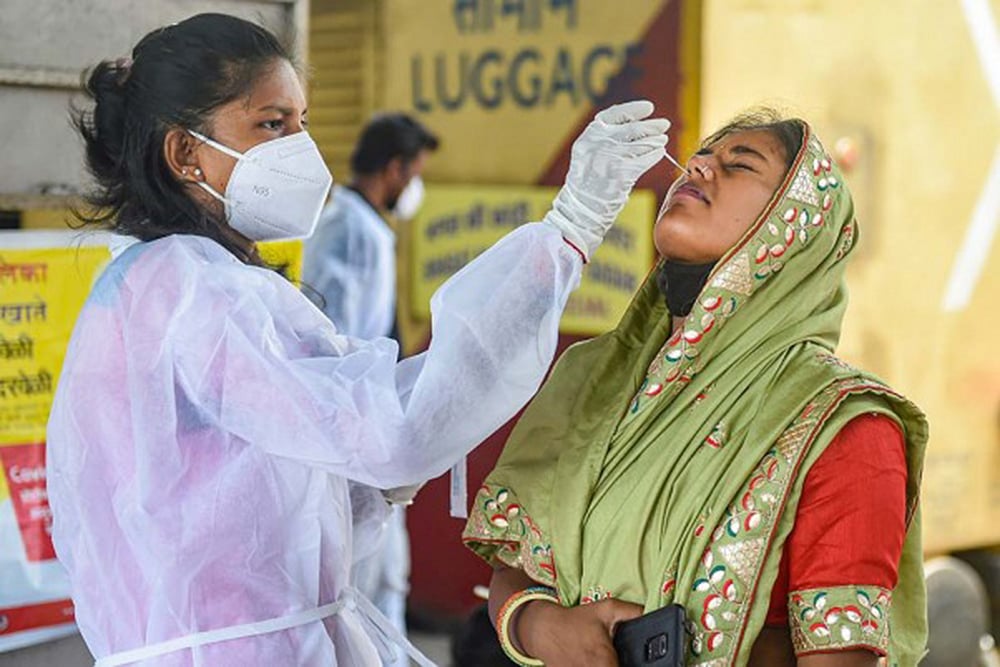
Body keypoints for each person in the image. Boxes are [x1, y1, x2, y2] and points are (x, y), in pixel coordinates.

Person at [45, 13, 671, 667]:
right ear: (184, 153)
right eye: (271, 125)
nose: (301, 148)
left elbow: (242, 489)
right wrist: (571, 226)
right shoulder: (199, 292)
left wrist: (367, 480)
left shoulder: (146, 281)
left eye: (303, 123)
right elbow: (396, 431)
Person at [463, 111, 928, 667]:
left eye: (740, 164)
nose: (700, 166)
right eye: (702, 155)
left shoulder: (839, 425)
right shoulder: (591, 379)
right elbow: (514, 566)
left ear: (794, 226)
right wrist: (540, 625)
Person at [302, 113, 440, 665]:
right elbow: (341, 342)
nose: (415, 186)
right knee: (364, 580)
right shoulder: (351, 231)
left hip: (373, 431)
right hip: (357, 434)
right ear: (395, 169)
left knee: (385, 578)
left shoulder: (361, 226)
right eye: (416, 172)